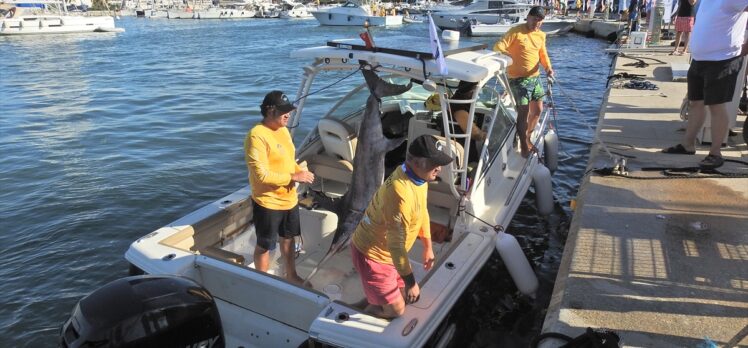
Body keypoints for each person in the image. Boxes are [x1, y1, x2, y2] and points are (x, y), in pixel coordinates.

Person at [350, 135, 453, 319]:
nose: (439, 168)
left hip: (388, 255)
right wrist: (411, 282)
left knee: (399, 295)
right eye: (434, 163)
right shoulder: (400, 193)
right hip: (374, 257)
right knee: (396, 310)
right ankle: (348, 319)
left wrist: (428, 247)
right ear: (416, 162)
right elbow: (396, 246)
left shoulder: (418, 178)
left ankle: (360, 305)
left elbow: (422, 211)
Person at [662, 0, 748, 169]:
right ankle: (688, 144)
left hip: (722, 59)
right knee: (695, 103)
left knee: (716, 107)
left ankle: (715, 153)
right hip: (700, 59)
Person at [244, 91, 315, 285]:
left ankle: (291, 275)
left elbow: (288, 160)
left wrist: (300, 170)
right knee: (264, 245)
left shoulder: (283, 130)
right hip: (268, 202)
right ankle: (262, 281)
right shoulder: (256, 136)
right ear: (270, 111)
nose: (288, 114)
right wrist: (294, 176)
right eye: (284, 111)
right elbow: (262, 175)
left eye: (289, 110)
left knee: (289, 239)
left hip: (289, 199)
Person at [493, 6, 555, 158]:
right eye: (534, 19)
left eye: (540, 21)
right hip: (518, 79)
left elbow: (542, 54)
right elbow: (498, 46)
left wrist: (548, 68)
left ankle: (527, 137)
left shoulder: (541, 35)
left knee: (538, 110)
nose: (536, 23)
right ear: (528, 17)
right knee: (524, 112)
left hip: (535, 77)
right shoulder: (516, 31)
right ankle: (523, 144)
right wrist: (507, 54)